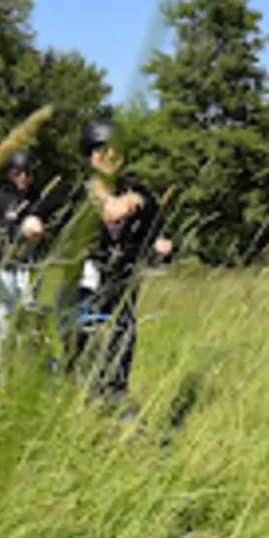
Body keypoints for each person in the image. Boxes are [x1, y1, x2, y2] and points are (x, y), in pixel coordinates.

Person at [43, 120, 171, 408]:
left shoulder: (137, 192)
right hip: (83, 275)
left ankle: (116, 393)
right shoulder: (75, 189)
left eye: (115, 151)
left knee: (123, 332)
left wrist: (161, 243)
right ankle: (78, 388)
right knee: (82, 334)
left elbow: (156, 223)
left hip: (122, 275)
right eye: (101, 151)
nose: (109, 157)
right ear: (90, 156)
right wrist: (33, 223)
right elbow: (43, 209)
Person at [0, 149, 46, 367]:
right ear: (10, 174)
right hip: (3, 266)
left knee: (29, 320)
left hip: (29, 267)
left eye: (27, 172)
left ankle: (26, 368)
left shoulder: (39, 200)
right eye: (18, 173)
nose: (23, 177)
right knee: (3, 320)